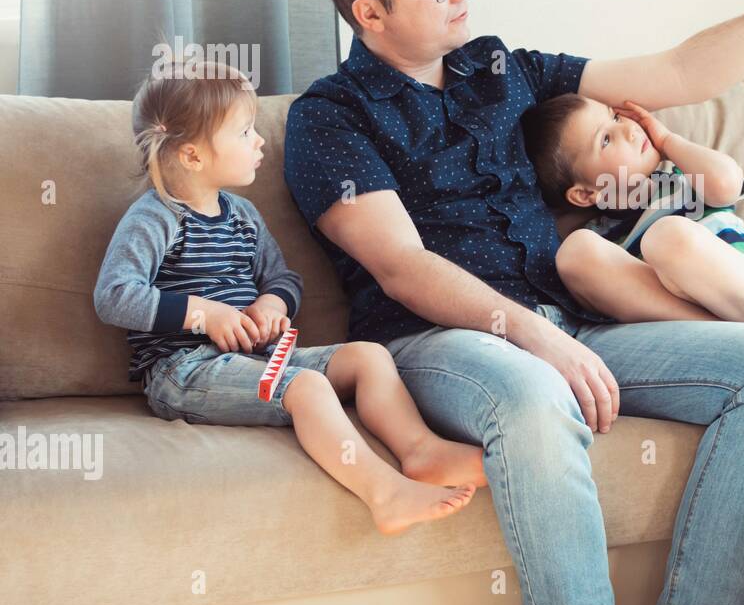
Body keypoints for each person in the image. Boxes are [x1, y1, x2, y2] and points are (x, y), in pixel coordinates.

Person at [284, 0, 744, 605]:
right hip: (438, 342)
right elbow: (401, 266)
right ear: (369, 12)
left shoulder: (500, 70)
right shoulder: (328, 118)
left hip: (575, 323)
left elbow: (676, 70)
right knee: (534, 397)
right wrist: (534, 336)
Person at [93, 61, 486, 536]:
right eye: (244, 132)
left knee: (368, 357)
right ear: (193, 155)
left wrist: (270, 306)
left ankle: (422, 451)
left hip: (256, 359)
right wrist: (205, 314)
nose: (260, 141)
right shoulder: (155, 217)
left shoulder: (242, 215)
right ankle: (385, 494)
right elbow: (114, 295)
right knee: (308, 387)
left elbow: (283, 278)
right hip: (184, 371)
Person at [521, 92, 744, 402]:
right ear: (583, 194)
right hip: (709, 339)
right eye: (605, 139)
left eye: (615, 116)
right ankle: (742, 337)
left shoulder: (682, 177)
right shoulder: (602, 240)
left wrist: (667, 142)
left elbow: (727, 183)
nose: (628, 131)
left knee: (667, 236)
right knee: (575, 253)